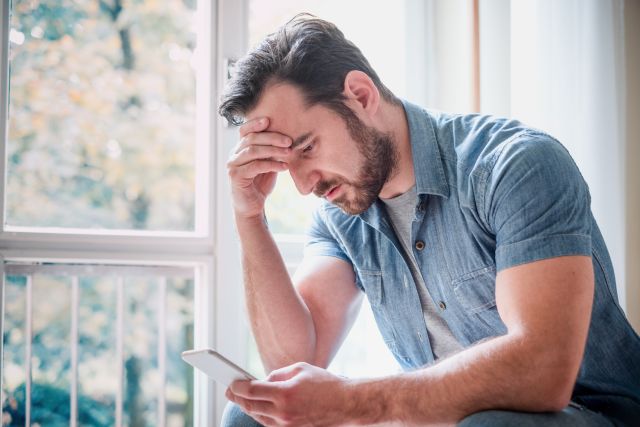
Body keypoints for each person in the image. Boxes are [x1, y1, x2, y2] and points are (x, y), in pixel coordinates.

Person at [218, 14, 640, 427]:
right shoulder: (341, 211)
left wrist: (353, 402)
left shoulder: (514, 166)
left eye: (307, 148)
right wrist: (249, 216)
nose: (304, 185)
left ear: (361, 96)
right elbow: (296, 362)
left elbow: (542, 373)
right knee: (252, 417)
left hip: (582, 412)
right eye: (284, 164)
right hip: (435, 420)